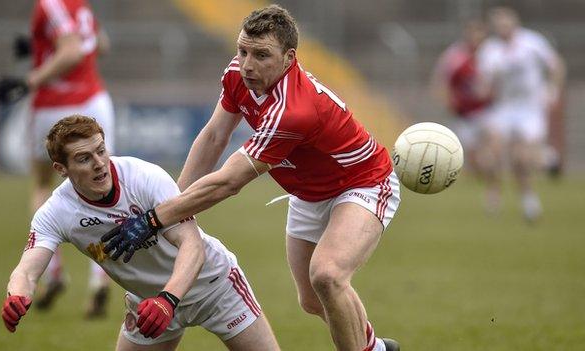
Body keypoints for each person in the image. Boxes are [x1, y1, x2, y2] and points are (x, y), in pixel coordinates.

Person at [101, 5, 400, 351]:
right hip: (308, 192)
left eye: (261, 55)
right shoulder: (237, 74)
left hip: (362, 182)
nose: (247, 64)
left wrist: (155, 218)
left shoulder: (293, 110)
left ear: (289, 58)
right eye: (242, 50)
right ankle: (376, 348)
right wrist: (174, 206)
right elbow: (214, 136)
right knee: (313, 301)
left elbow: (229, 181)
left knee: (328, 275)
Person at [1, 115, 280, 351]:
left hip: (213, 287)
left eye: (101, 150)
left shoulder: (144, 177)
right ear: (61, 169)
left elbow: (192, 245)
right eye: (84, 158)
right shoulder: (56, 212)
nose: (99, 163)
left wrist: (168, 300)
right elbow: (27, 270)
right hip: (148, 302)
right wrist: (17, 295)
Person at [0, 0, 116, 315]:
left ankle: (53, 273)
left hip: (54, 105)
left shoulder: (50, 3)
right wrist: (39, 48)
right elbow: (98, 45)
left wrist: (28, 79)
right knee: (107, 187)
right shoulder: (80, 4)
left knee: (42, 184)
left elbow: (72, 50)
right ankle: (101, 280)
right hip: (94, 99)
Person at [476, 6, 566, 221]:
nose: (503, 28)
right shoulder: (490, 50)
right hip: (505, 108)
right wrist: (484, 87)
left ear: (514, 23)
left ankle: (529, 198)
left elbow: (556, 66)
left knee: (521, 158)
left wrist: (553, 90)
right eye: (498, 25)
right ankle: (493, 192)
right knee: (492, 152)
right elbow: (484, 85)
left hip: (530, 108)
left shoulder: (532, 42)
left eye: (506, 23)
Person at [430, 19, 492, 178]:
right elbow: (442, 79)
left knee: (489, 145)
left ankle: (492, 180)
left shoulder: (492, 54)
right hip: (463, 113)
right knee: (471, 154)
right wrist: (448, 101)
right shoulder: (455, 55)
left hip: (488, 110)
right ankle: (482, 177)